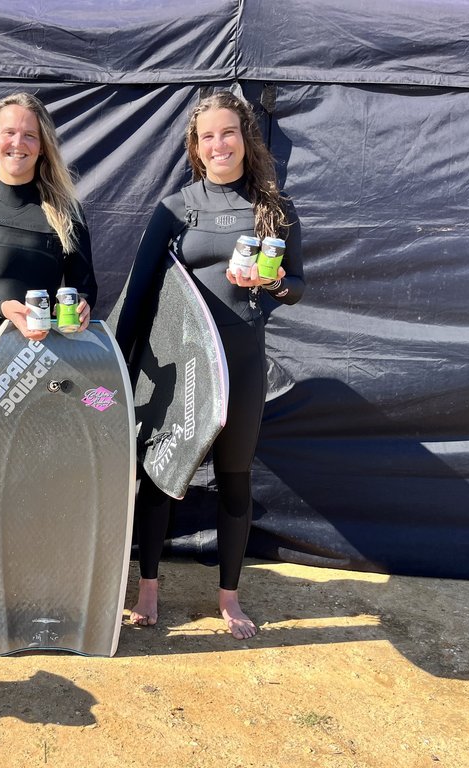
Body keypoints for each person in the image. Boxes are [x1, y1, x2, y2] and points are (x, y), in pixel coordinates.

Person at [112, 91, 305, 639]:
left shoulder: (275, 208)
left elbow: (298, 284)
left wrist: (274, 283)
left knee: (235, 479)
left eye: (228, 133)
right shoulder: (177, 208)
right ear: (196, 147)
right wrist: (115, 367)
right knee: (160, 476)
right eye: (207, 136)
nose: (219, 144)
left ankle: (229, 597)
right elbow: (140, 289)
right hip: (178, 365)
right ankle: (148, 586)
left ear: (246, 138)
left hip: (242, 363)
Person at [0, 92, 98, 419]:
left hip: (46, 364)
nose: (18, 143)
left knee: (42, 467)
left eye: (30, 135)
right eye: (10, 133)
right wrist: (1, 309)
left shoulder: (67, 213)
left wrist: (83, 305)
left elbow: (84, 286)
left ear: (42, 146)